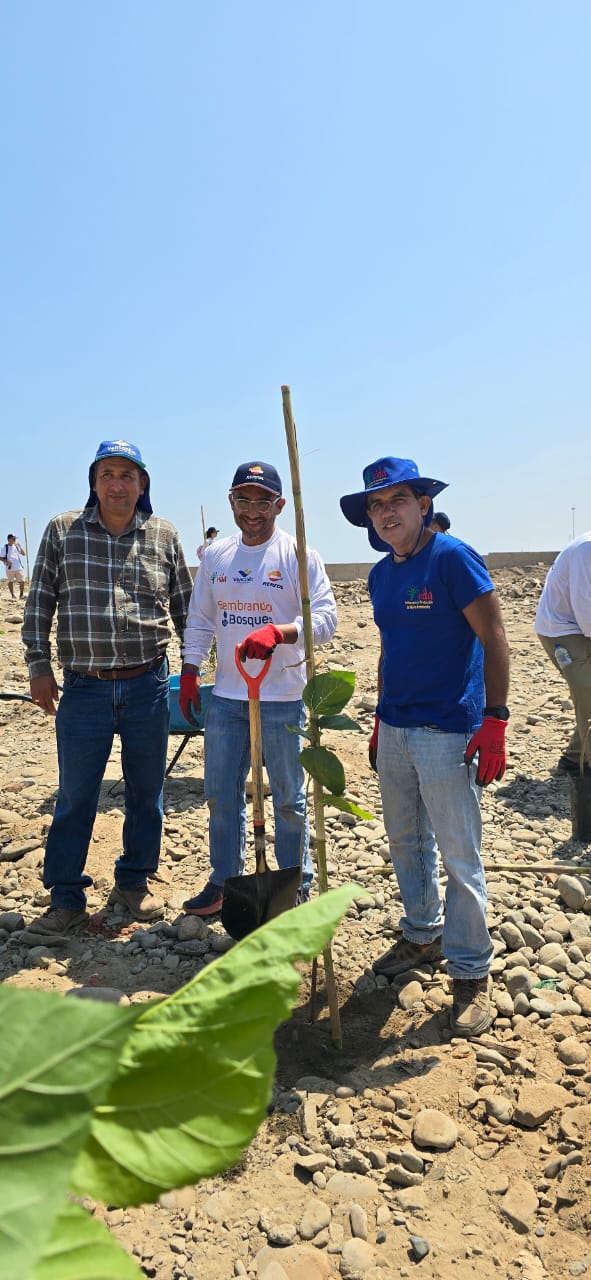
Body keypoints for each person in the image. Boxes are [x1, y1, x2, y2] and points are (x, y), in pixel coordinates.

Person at [340, 456, 510, 1037]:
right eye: (377, 506)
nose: (387, 513)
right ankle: (422, 934)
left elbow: (494, 637)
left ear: (423, 505)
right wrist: (380, 721)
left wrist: (496, 719)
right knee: (405, 839)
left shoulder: (452, 557)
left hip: (446, 729)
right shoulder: (382, 573)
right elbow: (389, 650)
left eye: (398, 501)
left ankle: (470, 971)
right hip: (397, 727)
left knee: (459, 853)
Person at [21, 440, 194, 940]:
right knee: (76, 795)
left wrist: (192, 673)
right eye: (108, 474)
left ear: (143, 485)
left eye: (128, 475)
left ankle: (133, 883)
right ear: (94, 483)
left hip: (149, 685)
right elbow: (39, 604)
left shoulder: (164, 535)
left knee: (148, 793)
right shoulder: (63, 530)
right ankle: (66, 899)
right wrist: (38, 666)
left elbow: (185, 610)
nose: (117, 484)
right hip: (84, 689)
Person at [180, 460, 337, 916]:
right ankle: (224, 881)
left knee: (288, 799)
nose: (252, 511)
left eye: (263, 502)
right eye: (243, 500)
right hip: (229, 697)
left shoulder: (298, 554)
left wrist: (282, 632)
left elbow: (326, 619)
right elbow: (202, 619)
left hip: (285, 699)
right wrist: (191, 670)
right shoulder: (216, 556)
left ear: (279, 505)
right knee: (221, 795)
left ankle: (295, 883)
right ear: (231, 501)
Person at [534, 532, 591, 775]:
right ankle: (587, 767)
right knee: (588, 689)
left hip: (583, 624)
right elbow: (584, 604)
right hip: (561, 628)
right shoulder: (586, 549)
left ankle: (574, 758)